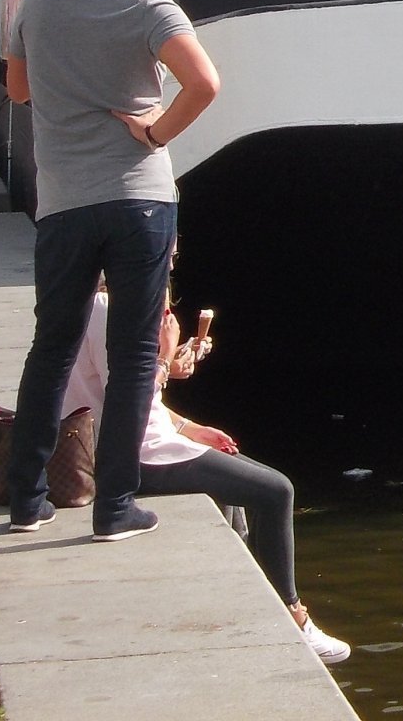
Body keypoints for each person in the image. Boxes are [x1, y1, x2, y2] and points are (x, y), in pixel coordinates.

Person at [3, 0, 221, 542]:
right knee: (132, 355)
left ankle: (26, 501)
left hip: (65, 200)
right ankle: (115, 506)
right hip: (140, 200)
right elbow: (205, 82)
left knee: (53, 345)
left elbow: (17, 89)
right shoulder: (151, 3)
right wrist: (155, 133)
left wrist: (71, 82)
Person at [62, 283, 351, 664]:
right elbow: (125, 395)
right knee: (276, 491)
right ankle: (293, 614)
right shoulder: (107, 309)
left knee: (243, 476)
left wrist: (188, 428)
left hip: (143, 439)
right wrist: (165, 358)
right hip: (132, 453)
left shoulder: (96, 304)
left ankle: (258, 597)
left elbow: (131, 395)